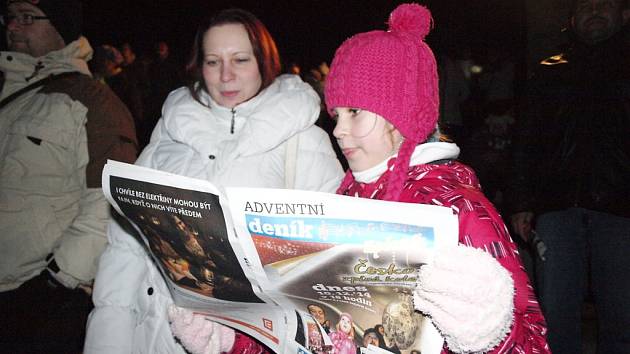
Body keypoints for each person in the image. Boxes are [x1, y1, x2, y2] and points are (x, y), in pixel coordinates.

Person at [84, 8, 344, 354]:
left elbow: (332, 266)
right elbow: (126, 249)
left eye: (240, 59)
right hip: (158, 337)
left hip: (254, 341)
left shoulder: (304, 141)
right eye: (212, 62)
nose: (226, 76)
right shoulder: (170, 132)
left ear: (264, 62)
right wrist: (108, 340)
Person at [324, 4, 550, 353]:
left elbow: (532, 340)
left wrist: (489, 330)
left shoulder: (457, 208)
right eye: (336, 114)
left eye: (355, 112)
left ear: (403, 116)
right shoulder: (345, 196)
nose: (339, 130)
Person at [0, 0, 137, 352]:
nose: (13, 27)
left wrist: (54, 282)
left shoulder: (95, 102)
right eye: (10, 17)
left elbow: (107, 205)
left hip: (31, 302)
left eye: (27, 18)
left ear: (60, 25)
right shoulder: (9, 89)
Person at [507, 0, 630, 353]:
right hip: (556, 207)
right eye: (585, 6)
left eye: (603, 4)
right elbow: (526, 140)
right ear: (572, 19)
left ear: (623, 14)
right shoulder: (549, 70)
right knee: (555, 314)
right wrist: (521, 202)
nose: (594, 11)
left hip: (621, 209)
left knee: (622, 314)